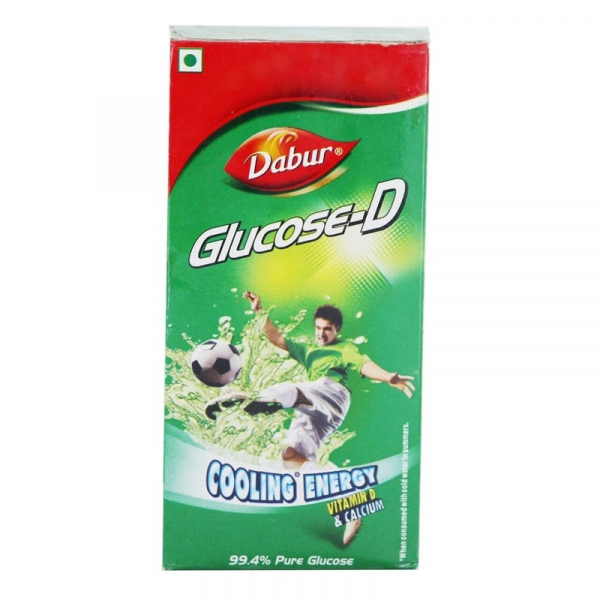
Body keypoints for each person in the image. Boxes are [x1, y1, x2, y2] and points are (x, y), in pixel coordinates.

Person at [206, 290, 415, 545]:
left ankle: (257, 401)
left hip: (332, 394)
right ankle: (350, 500)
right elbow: (277, 338)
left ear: (337, 329)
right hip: (315, 410)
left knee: (290, 391)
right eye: (318, 328)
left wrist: (388, 377)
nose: (321, 334)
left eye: (327, 329)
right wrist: (259, 311)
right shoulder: (308, 350)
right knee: (291, 458)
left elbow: (364, 365)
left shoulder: (344, 348)